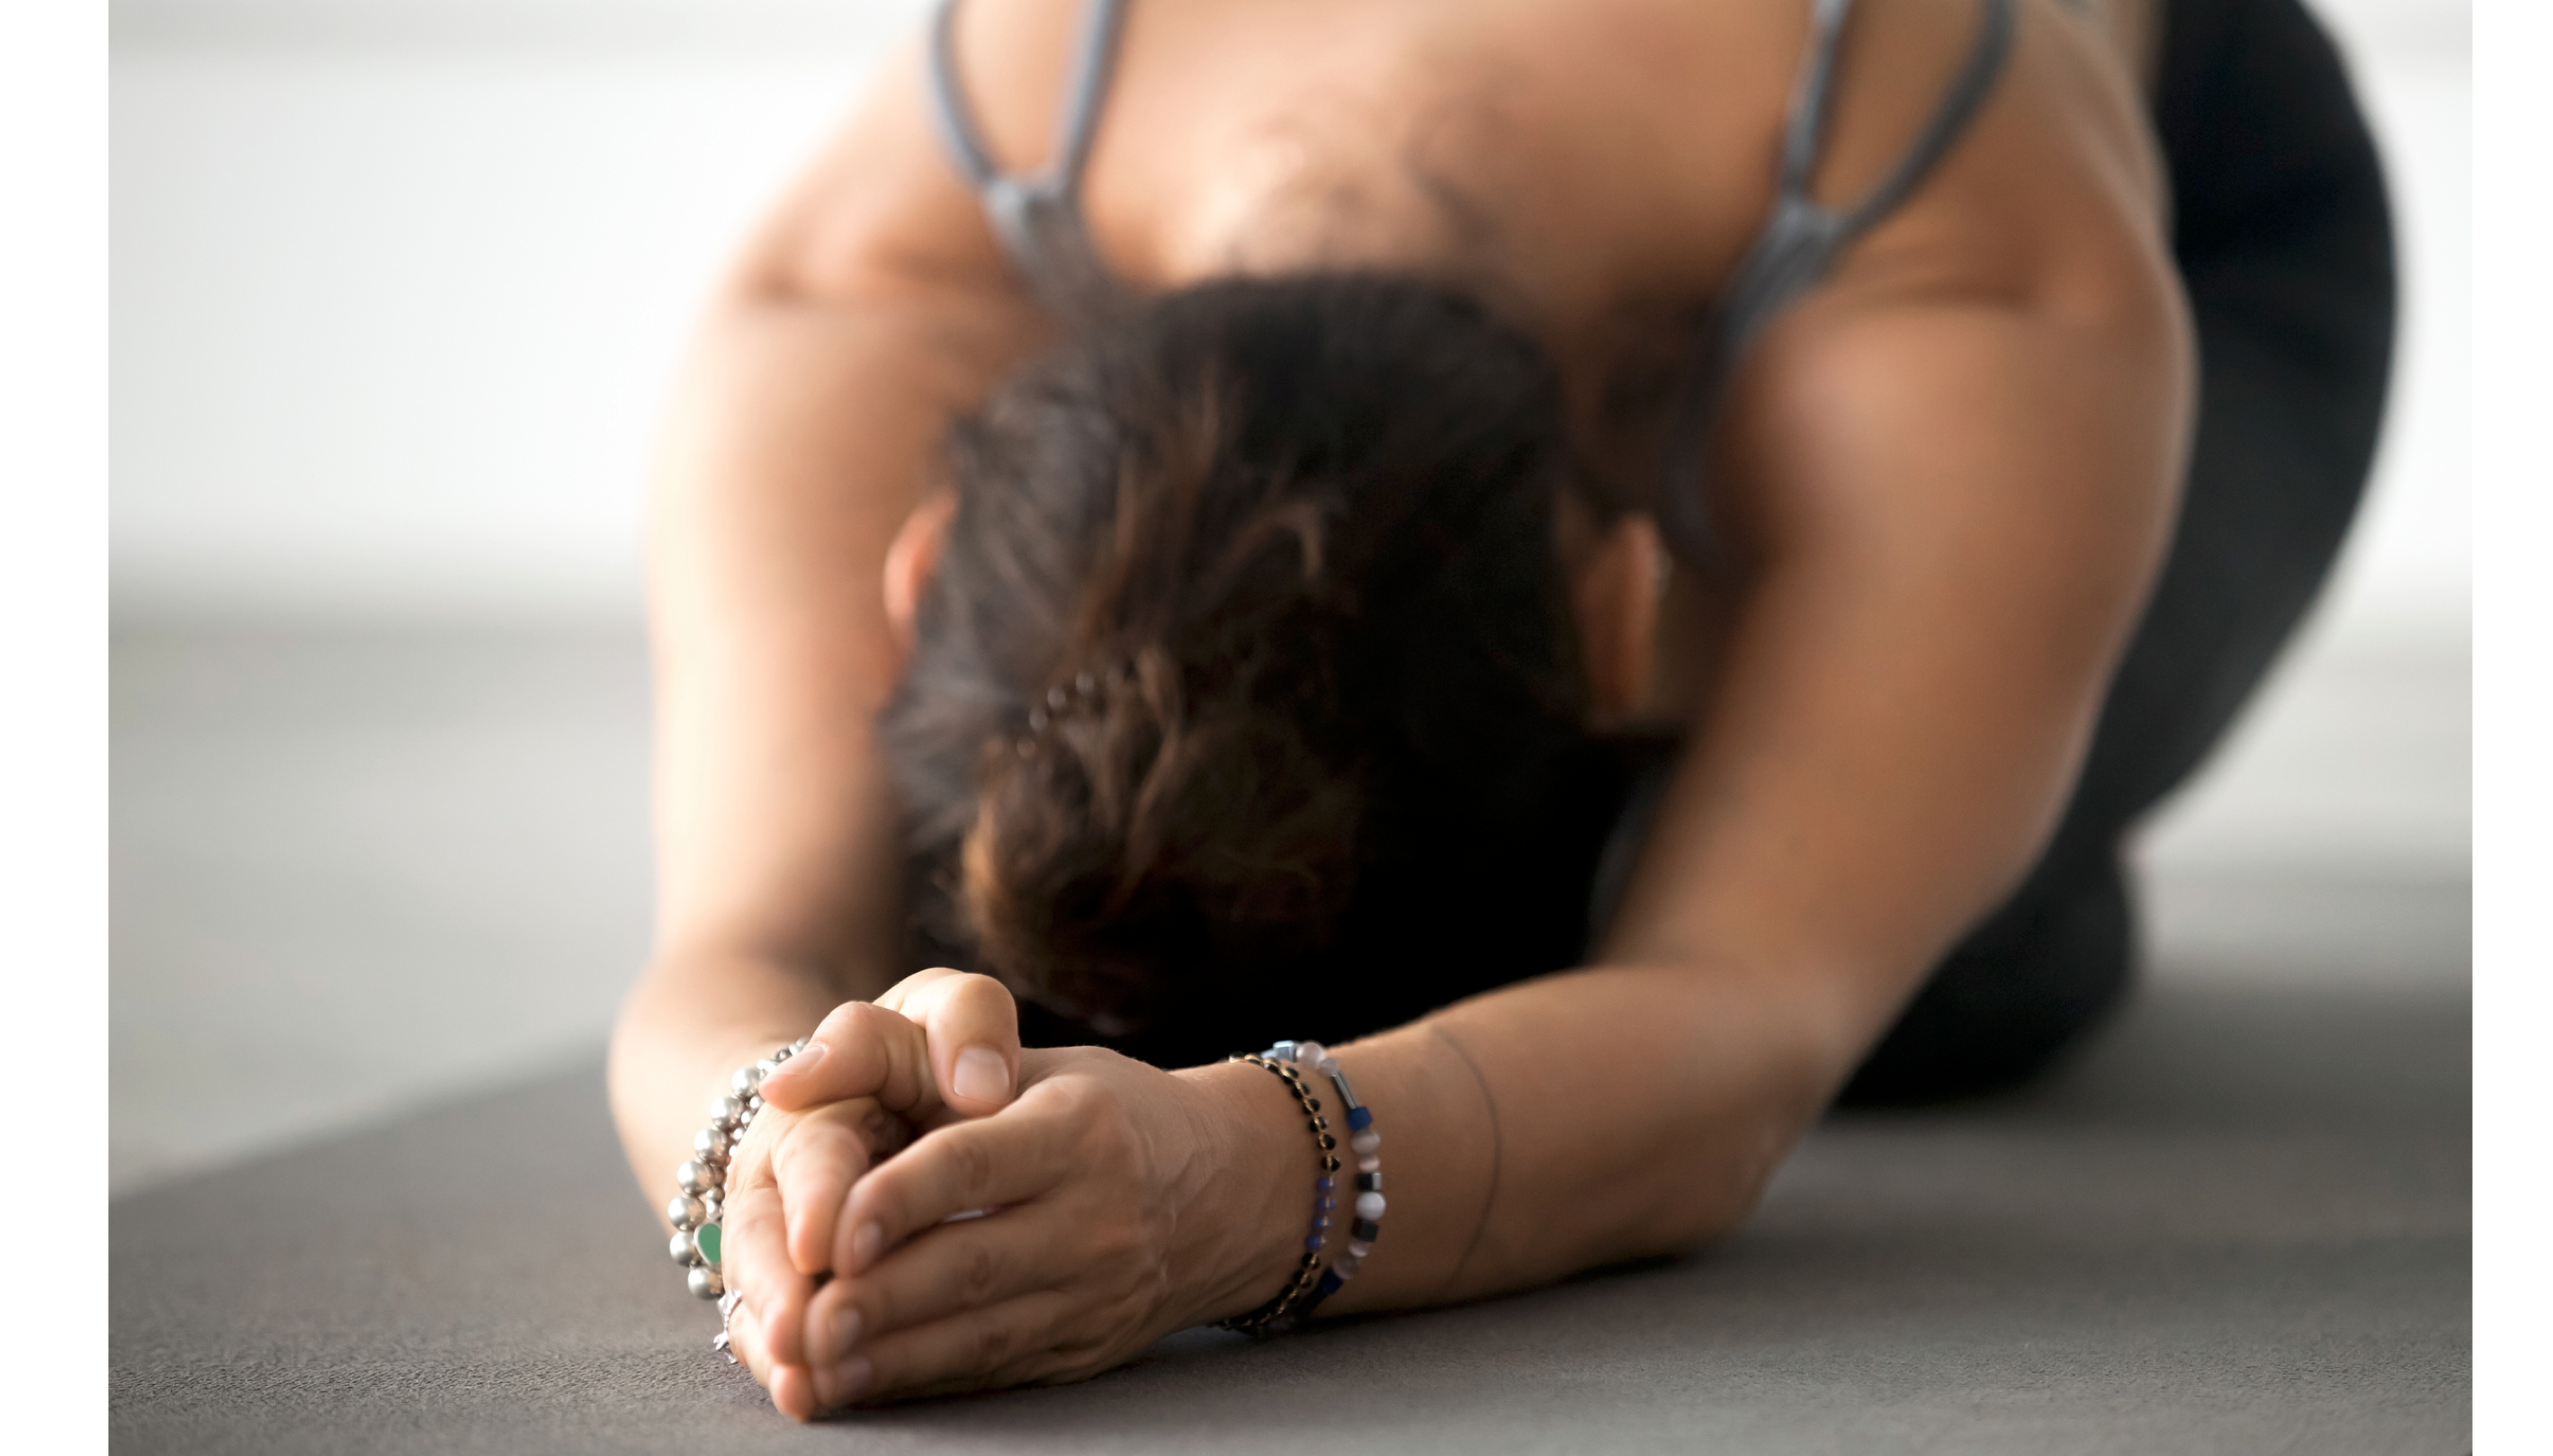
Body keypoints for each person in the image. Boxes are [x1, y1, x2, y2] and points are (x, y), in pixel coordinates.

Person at [606, 0, 2393, 1418]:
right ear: (913, 564)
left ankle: (1982, 851)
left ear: (1631, 619)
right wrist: (769, 1133)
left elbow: (1742, 1018)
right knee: (1098, 855)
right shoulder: (910, 247)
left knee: (1887, 959)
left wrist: (1229, 1181)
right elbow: (741, 937)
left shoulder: (1971, 251)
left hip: (2208, 205)